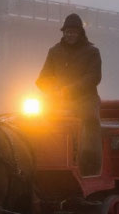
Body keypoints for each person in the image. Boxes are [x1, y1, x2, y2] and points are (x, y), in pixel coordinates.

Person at [36, 13, 103, 175]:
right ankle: (38, 158)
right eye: (67, 31)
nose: (70, 34)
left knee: (89, 120)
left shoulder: (92, 52)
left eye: (73, 32)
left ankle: (90, 164)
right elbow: (42, 79)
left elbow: (94, 77)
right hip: (57, 99)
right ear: (63, 32)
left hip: (85, 99)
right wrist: (53, 90)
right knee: (35, 120)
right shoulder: (54, 51)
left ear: (80, 33)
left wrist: (69, 90)